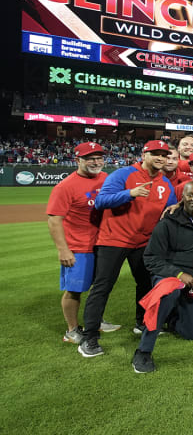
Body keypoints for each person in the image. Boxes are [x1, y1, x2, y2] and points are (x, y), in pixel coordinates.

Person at [79, 140, 177, 358]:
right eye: (155, 154)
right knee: (102, 286)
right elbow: (101, 201)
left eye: (164, 155)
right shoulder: (123, 175)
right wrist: (129, 194)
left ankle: (141, 323)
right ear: (144, 154)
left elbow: (170, 207)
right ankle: (90, 337)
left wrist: (176, 206)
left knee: (145, 284)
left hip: (143, 243)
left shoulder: (165, 183)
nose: (160, 158)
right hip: (113, 240)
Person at [133, 181, 193, 373]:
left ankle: (171, 318)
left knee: (191, 333)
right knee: (167, 295)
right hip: (170, 275)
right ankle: (143, 351)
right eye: (190, 195)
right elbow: (150, 258)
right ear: (182, 198)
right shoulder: (168, 222)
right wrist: (178, 274)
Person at [47, 142, 110, 344]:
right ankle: (72, 330)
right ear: (78, 160)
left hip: (103, 244)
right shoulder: (65, 186)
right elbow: (54, 220)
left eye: (99, 158)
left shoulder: (106, 179)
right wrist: (63, 250)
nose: (96, 162)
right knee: (74, 290)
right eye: (90, 158)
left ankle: (96, 321)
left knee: (100, 287)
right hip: (79, 247)